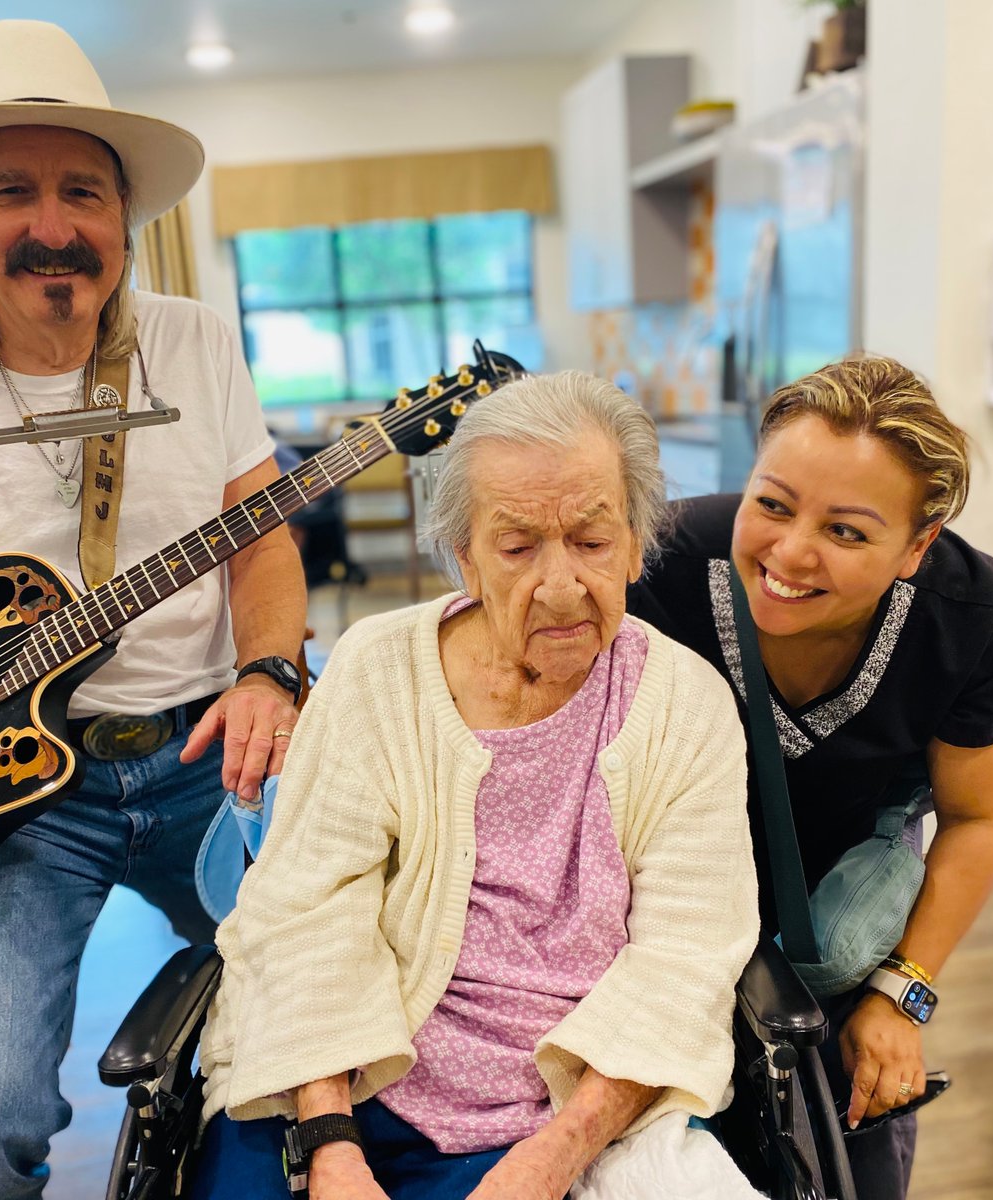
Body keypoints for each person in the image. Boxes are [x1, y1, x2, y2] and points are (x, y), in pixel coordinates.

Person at [0, 20, 307, 1199]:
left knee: (355, 1019)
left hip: (207, 760)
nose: (53, 226)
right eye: (13, 190)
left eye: (83, 193)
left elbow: (259, 544)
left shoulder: (197, 343)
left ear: (125, 216)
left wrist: (270, 673)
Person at [192, 371, 761, 1200]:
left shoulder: (687, 705)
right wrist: (331, 1144)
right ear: (464, 557)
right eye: (518, 547)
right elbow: (307, 909)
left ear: (637, 544)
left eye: (592, 542)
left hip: (583, 1102)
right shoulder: (378, 670)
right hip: (349, 1078)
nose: (561, 587)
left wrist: (553, 1158)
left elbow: (686, 958)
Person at [628, 355, 993, 1200]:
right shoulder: (659, 563)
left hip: (837, 939)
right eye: (772, 504)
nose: (791, 553)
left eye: (846, 532)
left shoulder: (971, 616)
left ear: (917, 546)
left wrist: (902, 992)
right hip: (654, 928)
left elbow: (979, 817)